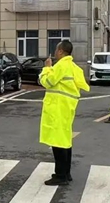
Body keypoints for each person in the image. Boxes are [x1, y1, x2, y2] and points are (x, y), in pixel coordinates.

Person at [38, 40, 89, 186]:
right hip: (67, 107)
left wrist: (46, 68)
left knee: (58, 142)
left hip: (57, 107)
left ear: (60, 51)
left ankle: (60, 175)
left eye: (56, 50)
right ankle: (66, 173)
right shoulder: (73, 67)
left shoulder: (61, 66)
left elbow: (47, 82)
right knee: (65, 140)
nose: (55, 53)